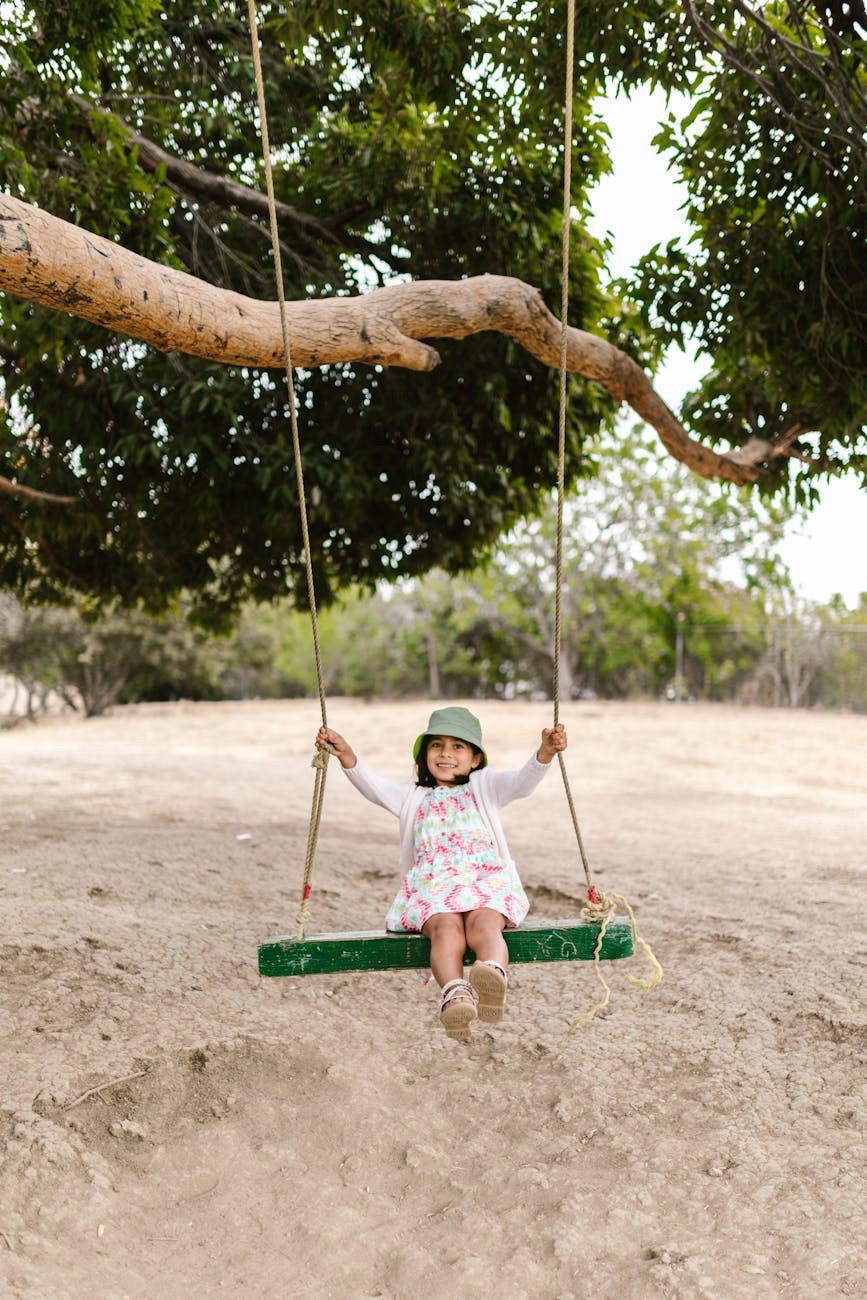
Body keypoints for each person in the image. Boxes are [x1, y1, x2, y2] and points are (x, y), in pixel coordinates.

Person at [315, 706, 567, 1042]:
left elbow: (522, 782)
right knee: (446, 930)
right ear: (425, 755)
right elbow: (373, 787)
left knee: (485, 924)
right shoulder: (412, 797)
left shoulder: (485, 787)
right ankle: (456, 994)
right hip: (434, 889)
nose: (446, 753)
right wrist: (346, 753)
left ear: (475, 759)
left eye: (457, 746)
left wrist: (545, 752)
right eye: (437, 745)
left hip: (483, 882)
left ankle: (492, 974)